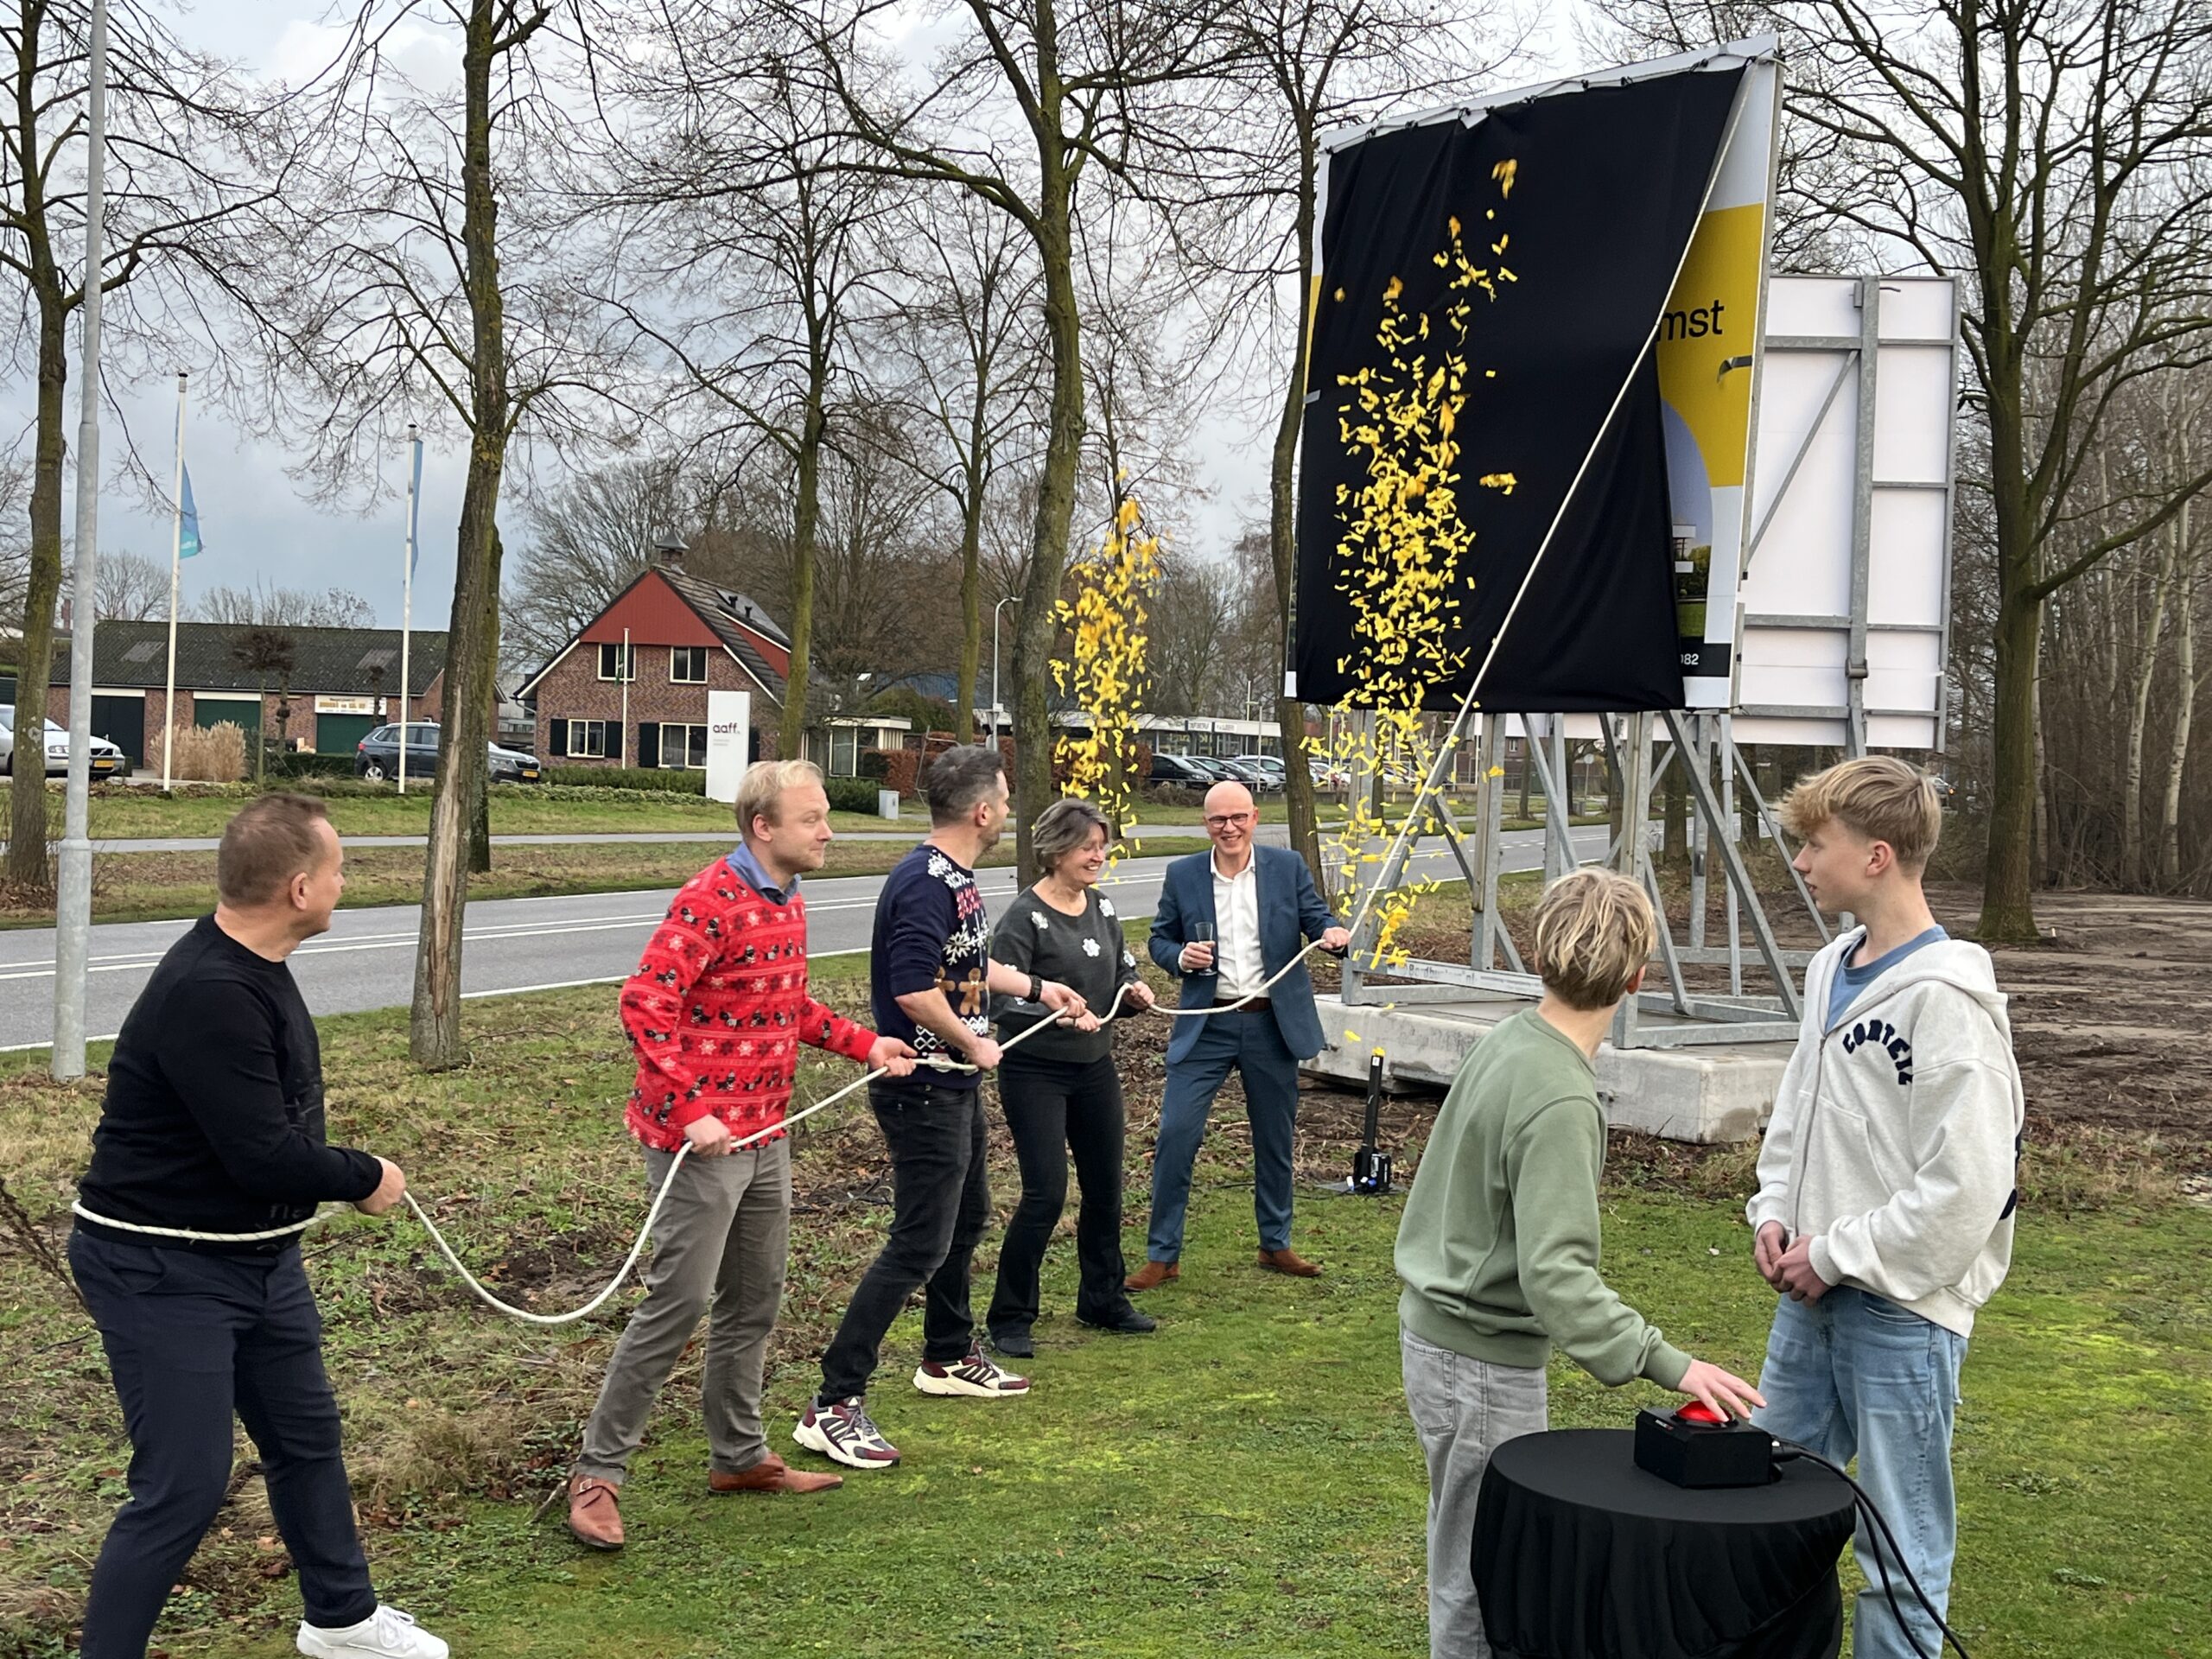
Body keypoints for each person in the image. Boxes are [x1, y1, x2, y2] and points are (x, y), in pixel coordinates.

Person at [67, 794, 447, 1659]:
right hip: (161, 1270)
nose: (346, 882)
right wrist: (366, 1176)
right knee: (183, 1485)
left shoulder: (255, 964)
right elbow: (263, 1157)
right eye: (340, 869)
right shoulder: (210, 991)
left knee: (305, 1439)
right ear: (301, 889)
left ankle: (341, 1621)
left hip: (257, 1259)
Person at [1395, 868, 1764, 1659]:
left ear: (1539, 958)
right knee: (1484, 1575)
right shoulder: (1559, 1095)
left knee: (1468, 1552)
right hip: (1478, 1363)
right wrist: (1668, 1362)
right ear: (1638, 978)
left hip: (1442, 1343)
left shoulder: (1511, 1040)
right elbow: (1556, 1276)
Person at [566, 759, 917, 1551]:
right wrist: (691, 1110)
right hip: (699, 1150)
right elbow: (644, 1003)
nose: (828, 832)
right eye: (812, 819)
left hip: (765, 1138)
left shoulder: (786, 899)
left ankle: (739, 1456)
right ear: (764, 827)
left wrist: (866, 1044)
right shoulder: (711, 899)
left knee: (754, 1300)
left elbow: (784, 1006)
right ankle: (597, 1475)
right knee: (678, 1305)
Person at [1747, 757, 2024, 1659]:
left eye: (1814, 844)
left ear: (1876, 857)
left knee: (1899, 1549)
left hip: (1902, 1314)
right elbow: (1798, 1112)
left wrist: (1837, 1253)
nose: (1800, 862)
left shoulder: (1948, 1002)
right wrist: (1773, 1210)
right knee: (1766, 1510)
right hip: (1808, 1303)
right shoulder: (1829, 967)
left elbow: (1969, 1187)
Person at [795, 745, 1085, 1469]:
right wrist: (972, 1042)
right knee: (919, 1242)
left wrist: (1036, 988)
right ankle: (833, 1402)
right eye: (1005, 798)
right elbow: (911, 988)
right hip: (921, 1085)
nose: (1010, 809)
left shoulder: (956, 878)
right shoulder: (924, 881)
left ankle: (948, 1355)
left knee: (969, 1216)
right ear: (982, 811)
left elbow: (965, 965)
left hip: (952, 1082)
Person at [1129, 780, 1349, 1287]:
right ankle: (1163, 1254)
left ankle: (1275, 1244)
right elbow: (1160, 939)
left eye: (1237, 818)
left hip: (1271, 1023)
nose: (1228, 828)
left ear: (1254, 818)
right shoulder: (1183, 874)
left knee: (1274, 1139)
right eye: (1217, 820)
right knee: (1176, 1135)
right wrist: (1179, 957)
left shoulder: (1286, 867)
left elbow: (1318, 919)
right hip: (1206, 1024)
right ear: (1205, 824)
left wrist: (1331, 934)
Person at [982, 798, 1159, 1358]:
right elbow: (999, 1000)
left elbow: (1122, 967)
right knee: (1046, 1193)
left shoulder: (1101, 906)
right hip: (1035, 1072)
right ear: (1057, 851)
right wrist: (1055, 1014)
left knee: (1106, 1187)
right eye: (1087, 847)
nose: (1098, 856)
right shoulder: (1024, 917)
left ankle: (1102, 1299)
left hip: (1094, 1068)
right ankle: (1010, 1316)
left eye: (1102, 846)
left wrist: (1133, 991)